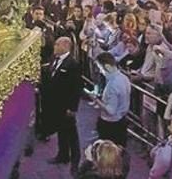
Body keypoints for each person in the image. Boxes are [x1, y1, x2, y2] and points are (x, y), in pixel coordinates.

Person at [41, 37, 82, 172]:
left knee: (71, 134)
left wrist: (72, 107)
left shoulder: (73, 64)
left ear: (65, 46)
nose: (54, 46)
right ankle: (63, 155)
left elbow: (76, 88)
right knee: (61, 131)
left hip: (66, 106)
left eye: (57, 44)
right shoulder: (54, 59)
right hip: (56, 104)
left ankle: (76, 161)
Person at [90, 52, 131, 146]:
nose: (100, 71)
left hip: (110, 124)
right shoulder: (124, 78)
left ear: (107, 67)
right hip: (122, 121)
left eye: (100, 68)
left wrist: (96, 100)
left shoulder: (113, 85)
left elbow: (111, 110)